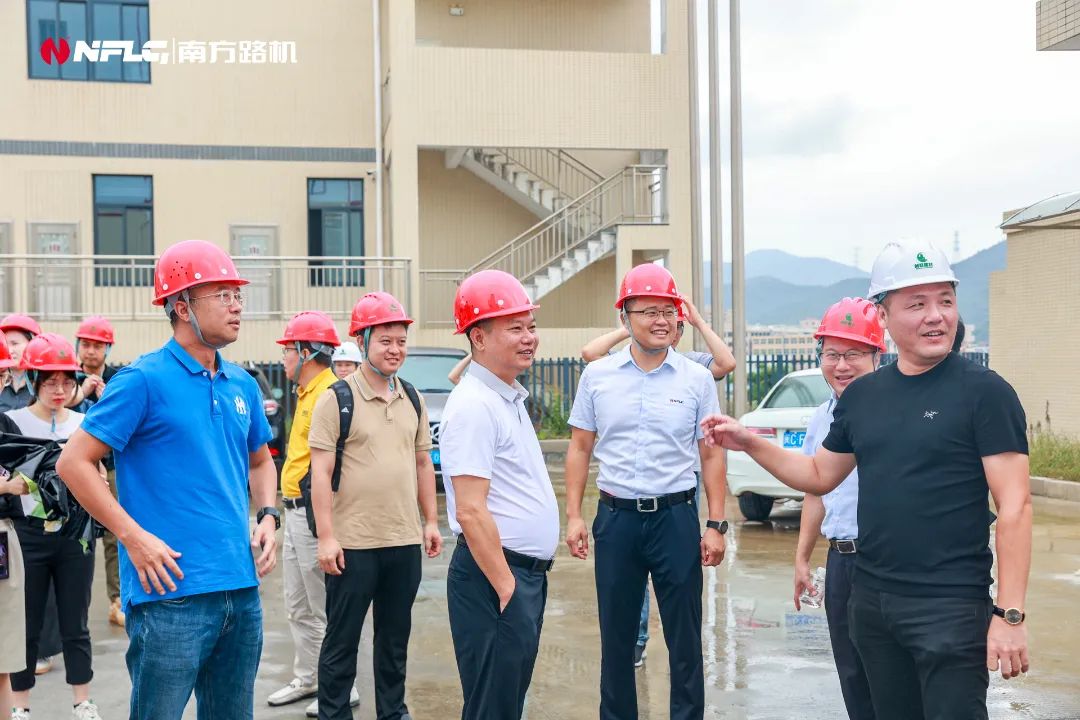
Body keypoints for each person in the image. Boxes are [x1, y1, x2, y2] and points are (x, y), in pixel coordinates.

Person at [703, 241, 1031, 720]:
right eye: (916, 304)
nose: (935, 316)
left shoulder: (985, 393)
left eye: (945, 300)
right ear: (883, 314)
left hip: (950, 606)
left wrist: (1009, 615)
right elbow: (818, 474)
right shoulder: (864, 396)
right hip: (874, 605)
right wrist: (749, 441)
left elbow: (1016, 506)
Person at [56, 239, 279, 720]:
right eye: (221, 294)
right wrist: (131, 537)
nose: (237, 304)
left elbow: (261, 461)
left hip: (239, 589)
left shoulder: (241, 382)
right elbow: (73, 463)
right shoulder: (141, 380)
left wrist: (267, 514)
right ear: (182, 306)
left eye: (237, 293)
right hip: (169, 596)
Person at [564, 263, 727, 720]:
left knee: (684, 637)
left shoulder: (695, 379)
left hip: (675, 518)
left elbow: (712, 455)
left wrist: (715, 524)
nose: (662, 320)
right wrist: (575, 516)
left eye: (669, 311)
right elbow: (579, 448)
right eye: (649, 311)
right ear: (625, 318)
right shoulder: (598, 377)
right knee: (616, 638)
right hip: (616, 519)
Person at [310, 291, 442, 720]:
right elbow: (319, 471)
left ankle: (393, 713)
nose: (395, 349)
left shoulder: (413, 398)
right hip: (353, 545)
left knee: (394, 641)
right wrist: (327, 537)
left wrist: (431, 521)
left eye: (401, 340)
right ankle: (334, 714)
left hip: (402, 541)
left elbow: (423, 461)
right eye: (385, 340)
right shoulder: (337, 398)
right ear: (363, 341)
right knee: (341, 642)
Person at [439, 270, 558, 720]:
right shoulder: (474, 406)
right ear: (478, 337)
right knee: (493, 707)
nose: (529, 338)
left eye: (530, 326)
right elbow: (470, 509)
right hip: (495, 578)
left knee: (503, 704)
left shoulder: (505, 397)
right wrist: (508, 587)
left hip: (517, 578)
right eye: (515, 328)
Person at [792, 297, 886, 720]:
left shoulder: (894, 411)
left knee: (891, 674)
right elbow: (815, 490)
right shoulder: (821, 417)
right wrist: (802, 558)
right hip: (841, 561)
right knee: (850, 672)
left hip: (887, 561)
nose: (841, 365)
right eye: (832, 354)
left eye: (853, 354)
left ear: (876, 355)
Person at [266, 311, 360, 715]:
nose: (285, 359)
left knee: (324, 606)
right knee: (298, 605)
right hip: (293, 512)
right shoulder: (306, 392)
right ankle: (309, 677)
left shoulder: (330, 394)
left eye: (288, 351)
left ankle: (342, 685)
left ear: (306, 352)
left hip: (312, 514)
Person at [5, 333, 102, 720]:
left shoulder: (85, 422)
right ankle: (20, 705)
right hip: (27, 533)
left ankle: (83, 700)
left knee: (75, 620)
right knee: (24, 623)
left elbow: (98, 471)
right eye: (49, 381)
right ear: (32, 380)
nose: (59, 389)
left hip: (75, 534)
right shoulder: (12, 421)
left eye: (66, 381)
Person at [71, 316, 125, 628]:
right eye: (86, 344)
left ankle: (117, 600)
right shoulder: (64, 379)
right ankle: (72, 608)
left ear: (108, 348)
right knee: (74, 535)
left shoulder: (118, 380)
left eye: (97, 345)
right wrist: (79, 392)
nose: (91, 351)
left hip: (112, 468)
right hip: (71, 470)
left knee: (115, 534)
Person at [581, 295, 736, 380]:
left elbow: (726, 364)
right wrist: (634, 326)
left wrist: (700, 323)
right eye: (652, 315)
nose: (663, 324)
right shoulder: (625, 362)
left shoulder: (691, 364)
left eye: (678, 325)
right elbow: (590, 353)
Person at [0, 353, 28, 717]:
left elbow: (29, 484)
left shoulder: (6, 426)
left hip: (3, 537)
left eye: (2, 373)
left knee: (2, 660)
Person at [0, 315, 43, 413]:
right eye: (5, 344)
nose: (9, 350)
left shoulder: (46, 384)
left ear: (34, 344)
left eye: (15, 344)